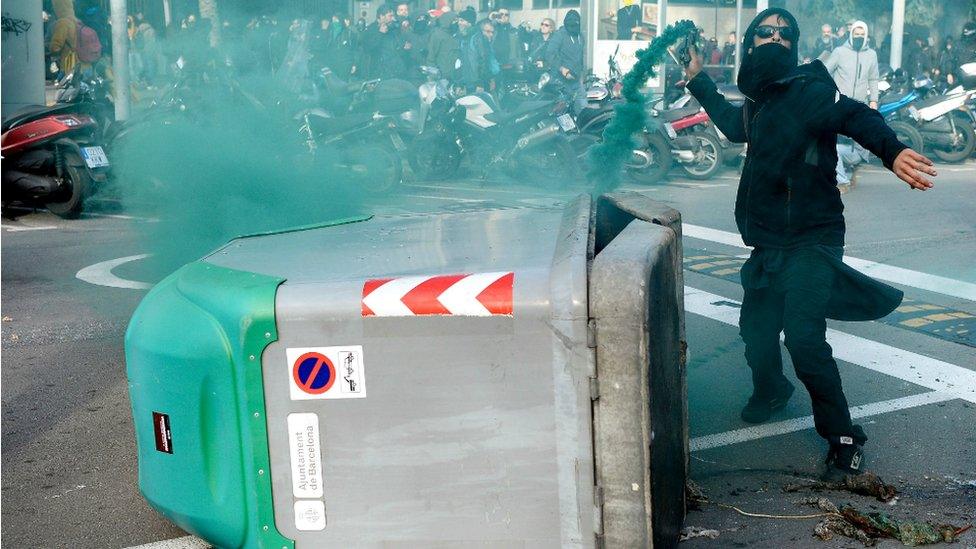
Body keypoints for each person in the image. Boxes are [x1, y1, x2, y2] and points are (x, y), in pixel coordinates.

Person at [683, 7, 937, 479]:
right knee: (756, 332)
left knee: (803, 337)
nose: (775, 38)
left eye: (785, 34)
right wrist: (699, 80)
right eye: (765, 32)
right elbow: (735, 128)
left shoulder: (808, 90)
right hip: (770, 242)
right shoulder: (759, 99)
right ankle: (772, 389)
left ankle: (844, 437)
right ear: (751, 42)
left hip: (814, 237)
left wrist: (892, 150)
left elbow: (856, 115)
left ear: (794, 45)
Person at [545, 9, 585, 108]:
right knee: (562, 111)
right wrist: (562, 69)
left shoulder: (580, 36)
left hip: (576, 81)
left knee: (582, 109)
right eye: (571, 24)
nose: (573, 26)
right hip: (561, 81)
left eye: (576, 24)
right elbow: (550, 54)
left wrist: (581, 76)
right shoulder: (559, 35)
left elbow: (580, 57)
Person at [363, 4, 408, 78]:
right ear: (381, 16)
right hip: (379, 73)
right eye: (390, 16)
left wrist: (404, 47)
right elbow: (368, 48)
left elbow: (398, 49)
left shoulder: (393, 29)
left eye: (393, 16)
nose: (393, 19)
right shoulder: (371, 29)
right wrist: (380, 33)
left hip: (395, 72)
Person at [461, 19, 498, 93]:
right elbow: (480, 62)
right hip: (477, 81)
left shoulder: (473, 37)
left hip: (470, 80)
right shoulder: (480, 40)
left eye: (492, 32)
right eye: (488, 31)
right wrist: (480, 83)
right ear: (481, 30)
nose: (491, 34)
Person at [426, 11, 460, 81]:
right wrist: (434, 73)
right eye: (453, 20)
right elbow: (431, 56)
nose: (456, 23)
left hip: (455, 75)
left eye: (457, 20)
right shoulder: (437, 35)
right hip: (441, 75)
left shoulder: (456, 34)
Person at [48, 0, 79, 76]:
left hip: (67, 64)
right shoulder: (76, 20)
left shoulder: (62, 23)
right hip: (79, 61)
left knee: (64, 86)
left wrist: (48, 48)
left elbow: (55, 46)